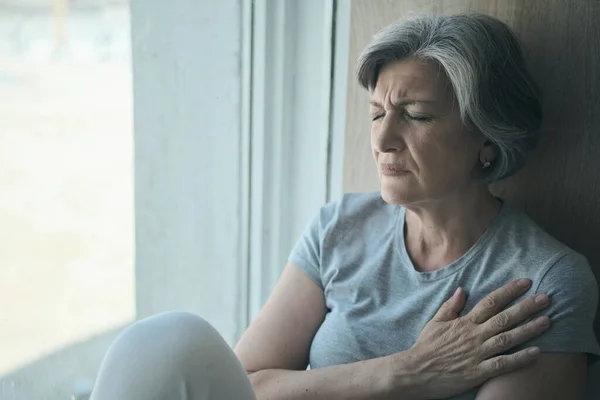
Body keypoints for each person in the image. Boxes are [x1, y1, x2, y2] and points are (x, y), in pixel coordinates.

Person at [90, 13, 600, 400]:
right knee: (169, 341)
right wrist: (405, 371)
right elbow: (247, 385)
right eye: (377, 113)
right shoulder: (341, 227)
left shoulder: (542, 282)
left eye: (416, 116)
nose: (382, 139)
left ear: (487, 139)